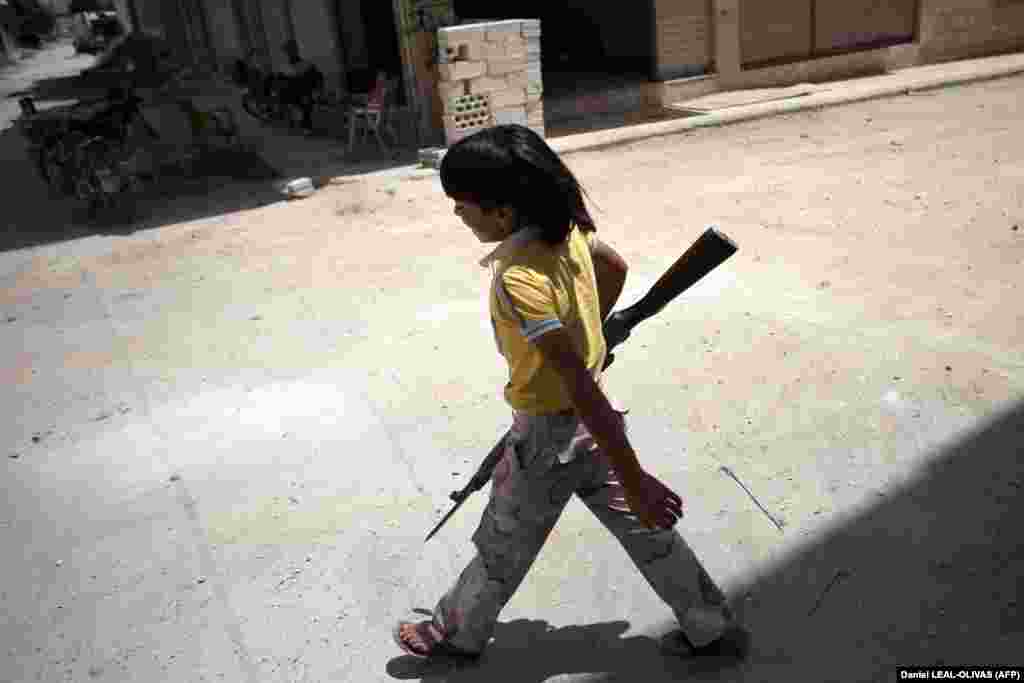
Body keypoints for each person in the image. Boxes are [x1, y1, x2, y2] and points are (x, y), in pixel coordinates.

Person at [393, 124, 751, 662]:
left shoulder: (517, 278)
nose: (457, 215)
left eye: (462, 205)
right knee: (649, 531)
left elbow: (579, 387)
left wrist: (635, 479)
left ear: (502, 211)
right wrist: (594, 334)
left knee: (503, 541)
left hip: (547, 436)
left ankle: (457, 634)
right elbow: (615, 267)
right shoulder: (569, 236)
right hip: (596, 430)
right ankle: (709, 625)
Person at [278, 39, 322, 132]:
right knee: (300, 104)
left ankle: (305, 125)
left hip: (305, 93)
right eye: (288, 51)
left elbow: (317, 78)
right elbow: (280, 82)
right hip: (291, 95)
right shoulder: (284, 68)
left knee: (305, 104)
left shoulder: (306, 65)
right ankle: (302, 124)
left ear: (296, 50)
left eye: (292, 50)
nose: (290, 53)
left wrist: (317, 90)